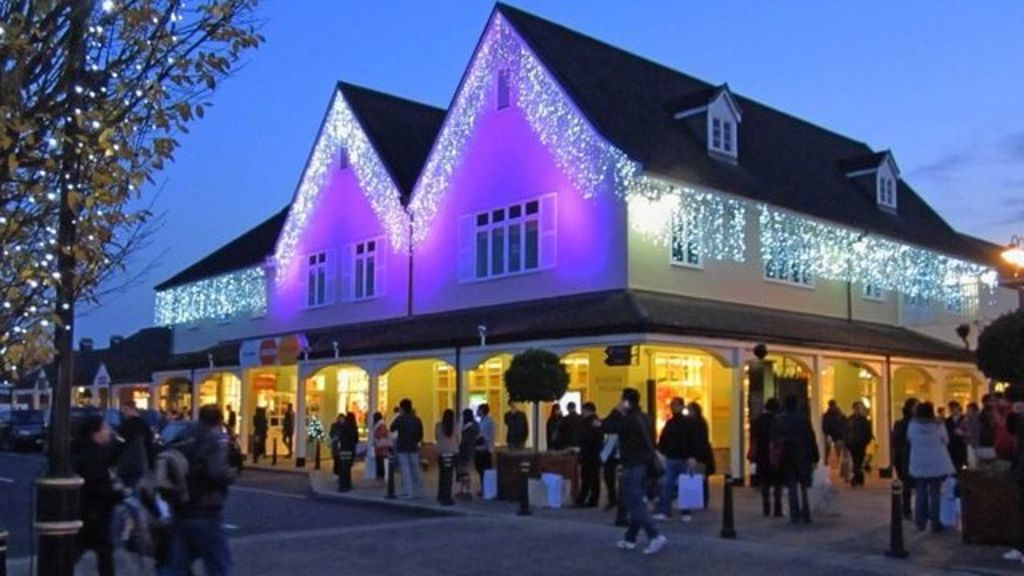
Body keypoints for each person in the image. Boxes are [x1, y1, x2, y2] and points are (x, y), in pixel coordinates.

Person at [160, 404, 236, 576]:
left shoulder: (183, 435)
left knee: (177, 564)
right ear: (219, 420)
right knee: (219, 563)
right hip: (206, 507)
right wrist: (230, 475)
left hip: (180, 507)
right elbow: (217, 471)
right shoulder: (212, 439)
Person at [601, 387, 668, 555]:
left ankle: (654, 535)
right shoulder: (645, 418)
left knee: (634, 503)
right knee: (637, 500)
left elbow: (607, 427)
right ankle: (630, 538)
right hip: (646, 464)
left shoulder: (629, 419)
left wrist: (616, 411)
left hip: (633, 465)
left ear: (626, 402)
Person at [74, 413, 118, 576]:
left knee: (100, 552)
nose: (109, 431)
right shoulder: (94, 456)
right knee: (103, 552)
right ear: (95, 432)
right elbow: (98, 487)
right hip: (95, 513)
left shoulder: (80, 450)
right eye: (105, 427)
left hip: (86, 511)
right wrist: (118, 494)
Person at [907, 402, 955, 533]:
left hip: (919, 462)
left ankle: (920, 522)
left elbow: (910, 440)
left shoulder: (913, 425)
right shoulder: (938, 425)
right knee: (935, 494)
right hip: (936, 462)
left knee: (920, 493)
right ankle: (935, 522)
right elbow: (946, 440)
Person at [775, 395, 819, 524]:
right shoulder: (803, 420)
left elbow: (777, 439)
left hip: (788, 456)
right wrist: (815, 455)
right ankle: (806, 513)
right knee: (805, 486)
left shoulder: (781, 420)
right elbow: (811, 437)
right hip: (803, 455)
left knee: (792, 485)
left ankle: (794, 515)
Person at [654, 397, 696, 521]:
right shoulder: (671, 423)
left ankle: (685, 511)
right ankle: (666, 510)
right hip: (672, 457)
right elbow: (663, 439)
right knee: (667, 485)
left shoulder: (687, 423)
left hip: (683, 457)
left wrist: (692, 456)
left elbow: (694, 441)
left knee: (683, 485)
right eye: (672, 405)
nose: (673, 407)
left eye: (675, 405)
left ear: (682, 406)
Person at [752, 398, 783, 517]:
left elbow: (755, 436)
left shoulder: (759, 420)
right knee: (777, 483)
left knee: (765, 483)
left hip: (762, 454)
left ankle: (766, 507)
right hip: (775, 455)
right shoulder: (778, 420)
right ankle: (777, 508)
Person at [390, 398, 424, 499]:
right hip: (413, 446)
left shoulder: (400, 419)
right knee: (415, 468)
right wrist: (416, 441)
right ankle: (419, 490)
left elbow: (392, 428)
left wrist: (398, 415)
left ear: (402, 408)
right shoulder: (417, 419)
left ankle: (408, 491)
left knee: (405, 469)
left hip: (402, 447)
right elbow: (421, 434)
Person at [119, 400, 156, 488]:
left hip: (131, 463)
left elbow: (123, 443)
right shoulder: (144, 423)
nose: (123, 413)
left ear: (130, 409)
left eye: (124, 410)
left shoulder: (127, 424)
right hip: (145, 461)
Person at [891, 398, 919, 517]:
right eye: (916, 406)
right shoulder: (911, 424)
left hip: (904, 455)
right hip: (908, 455)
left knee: (908, 484)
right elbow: (896, 441)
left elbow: (894, 441)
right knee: (910, 484)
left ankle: (907, 509)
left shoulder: (900, 423)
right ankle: (909, 509)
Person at [688, 402, 715, 509]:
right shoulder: (701, 422)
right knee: (701, 478)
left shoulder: (697, 423)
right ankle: (701, 500)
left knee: (700, 478)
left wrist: (695, 455)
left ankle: (700, 500)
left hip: (700, 455)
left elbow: (699, 440)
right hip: (702, 454)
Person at [576, 402, 603, 507]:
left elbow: (589, 438)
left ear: (588, 410)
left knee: (588, 477)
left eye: (583, 410)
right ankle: (590, 499)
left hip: (590, 453)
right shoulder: (594, 421)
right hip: (593, 453)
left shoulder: (590, 422)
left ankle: (587, 499)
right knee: (592, 477)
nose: (582, 412)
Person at [845, 401, 873, 487]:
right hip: (853, 444)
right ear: (854, 409)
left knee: (858, 461)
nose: (858, 410)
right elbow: (846, 431)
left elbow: (868, 432)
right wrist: (847, 442)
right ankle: (858, 479)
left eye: (859, 408)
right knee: (857, 461)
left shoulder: (863, 420)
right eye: (856, 408)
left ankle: (857, 479)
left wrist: (867, 441)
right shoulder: (850, 420)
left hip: (861, 444)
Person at [435, 409, 459, 504]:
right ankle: (447, 497)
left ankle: (440, 495)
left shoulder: (438, 425)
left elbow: (436, 437)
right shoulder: (455, 426)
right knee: (449, 476)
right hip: (452, 452)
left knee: (442, 475)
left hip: (442, 453)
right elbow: (459, 439)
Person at [332, 412, 359, 492]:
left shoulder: (344, 426)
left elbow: (340, 437)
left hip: (343, 449)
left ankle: (342, 484)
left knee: (344, 466)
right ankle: (347, 483)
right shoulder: (353, 427)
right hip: (350, 449)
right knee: (347, 467)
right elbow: (356, 439)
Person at [457, 409, 480, 498]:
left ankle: (467, 490)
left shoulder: (469, 427)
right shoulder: (474, 425)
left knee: (465, 471)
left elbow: (466, 440)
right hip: (468, 450)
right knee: (464, 471)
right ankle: (464, 490)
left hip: (466, 450)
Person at [475, 404, 495, 495]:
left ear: (482, 410)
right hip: (480, 449)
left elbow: (487, 436)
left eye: (478, 409)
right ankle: (484, 488)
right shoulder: (482, 421)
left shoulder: (488, 422)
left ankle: (486, 489)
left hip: (485, 450)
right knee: (481, 470)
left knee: (485, 471)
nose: (477, 411)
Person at [821, 400, 847, 468]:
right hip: (839, 436)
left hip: (832, 435)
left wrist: (827, 434)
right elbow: (845, 423)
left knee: (832, 452)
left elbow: (825, 426)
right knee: (839, 453)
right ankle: (840, 466)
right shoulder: (840, 414)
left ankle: (828, 465)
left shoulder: (826, 415)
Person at [946, 401, 968, 472]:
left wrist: (963, 433)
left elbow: (969, 430)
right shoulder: (947, 420)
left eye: (954, 408)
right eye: (951, 408)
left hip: (962, 444)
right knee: (953, 463)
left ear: (958, 408)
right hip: (951, 444)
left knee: (963, 463)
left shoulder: (965, 419)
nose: (952, 410)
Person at [371, 412, 390, 480]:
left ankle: (381, 475)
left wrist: (377, 436)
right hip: (380, 445)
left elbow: (382, 433)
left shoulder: (380, 424)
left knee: (380, 460)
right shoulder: (380, 424)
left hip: (381, 445)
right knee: (380, 460)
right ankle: (380, 474)